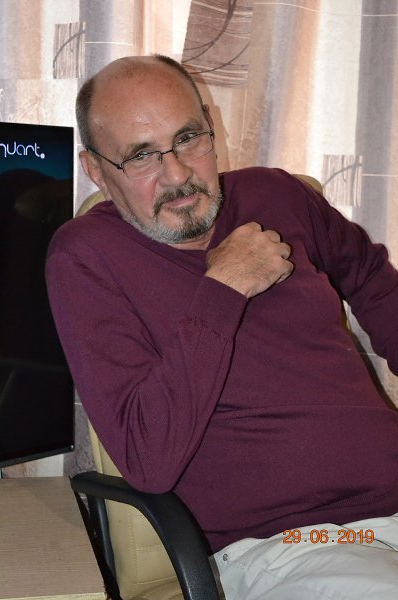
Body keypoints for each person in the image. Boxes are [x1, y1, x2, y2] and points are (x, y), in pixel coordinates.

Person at [46, 55, 398, 599]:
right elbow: (147, 458)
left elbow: (375, 282)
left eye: (188, 138)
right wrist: (226, 288)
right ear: (95, 169)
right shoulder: (86, 256)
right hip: (288, 547)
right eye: (141, 155)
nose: (178, 174)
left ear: (211, 126)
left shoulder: (279, 195)